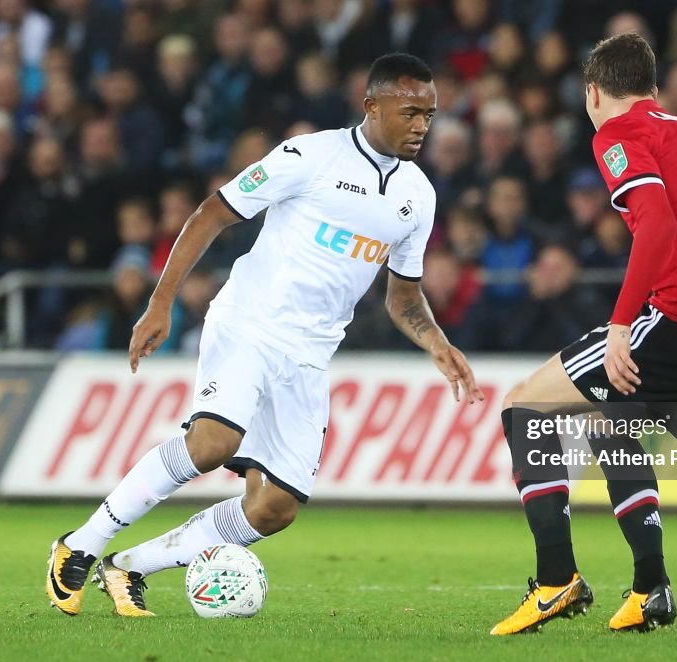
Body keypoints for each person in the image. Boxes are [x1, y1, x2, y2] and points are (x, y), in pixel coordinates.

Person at [46, 53, 483, 617]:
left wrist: (437, 343)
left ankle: (129, 568)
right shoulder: (310, 156)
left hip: (310, 353)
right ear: (371, 106)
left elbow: (402, 296)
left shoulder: (417, 197)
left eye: (430, 114)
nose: (423, 125)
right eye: (411, 112)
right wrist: (161, 301)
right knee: (213, 443)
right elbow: (211, 213)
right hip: (250, 322)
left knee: (275, 506)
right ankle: (80, 545)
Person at [490, 34, 677, 636]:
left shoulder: (620, 134)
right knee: (608, 423)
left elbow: (657, 228)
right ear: (653, 87)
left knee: (526, 408)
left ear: (594, 92)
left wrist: (622, 323)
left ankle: (555, 581)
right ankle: (651, 589)